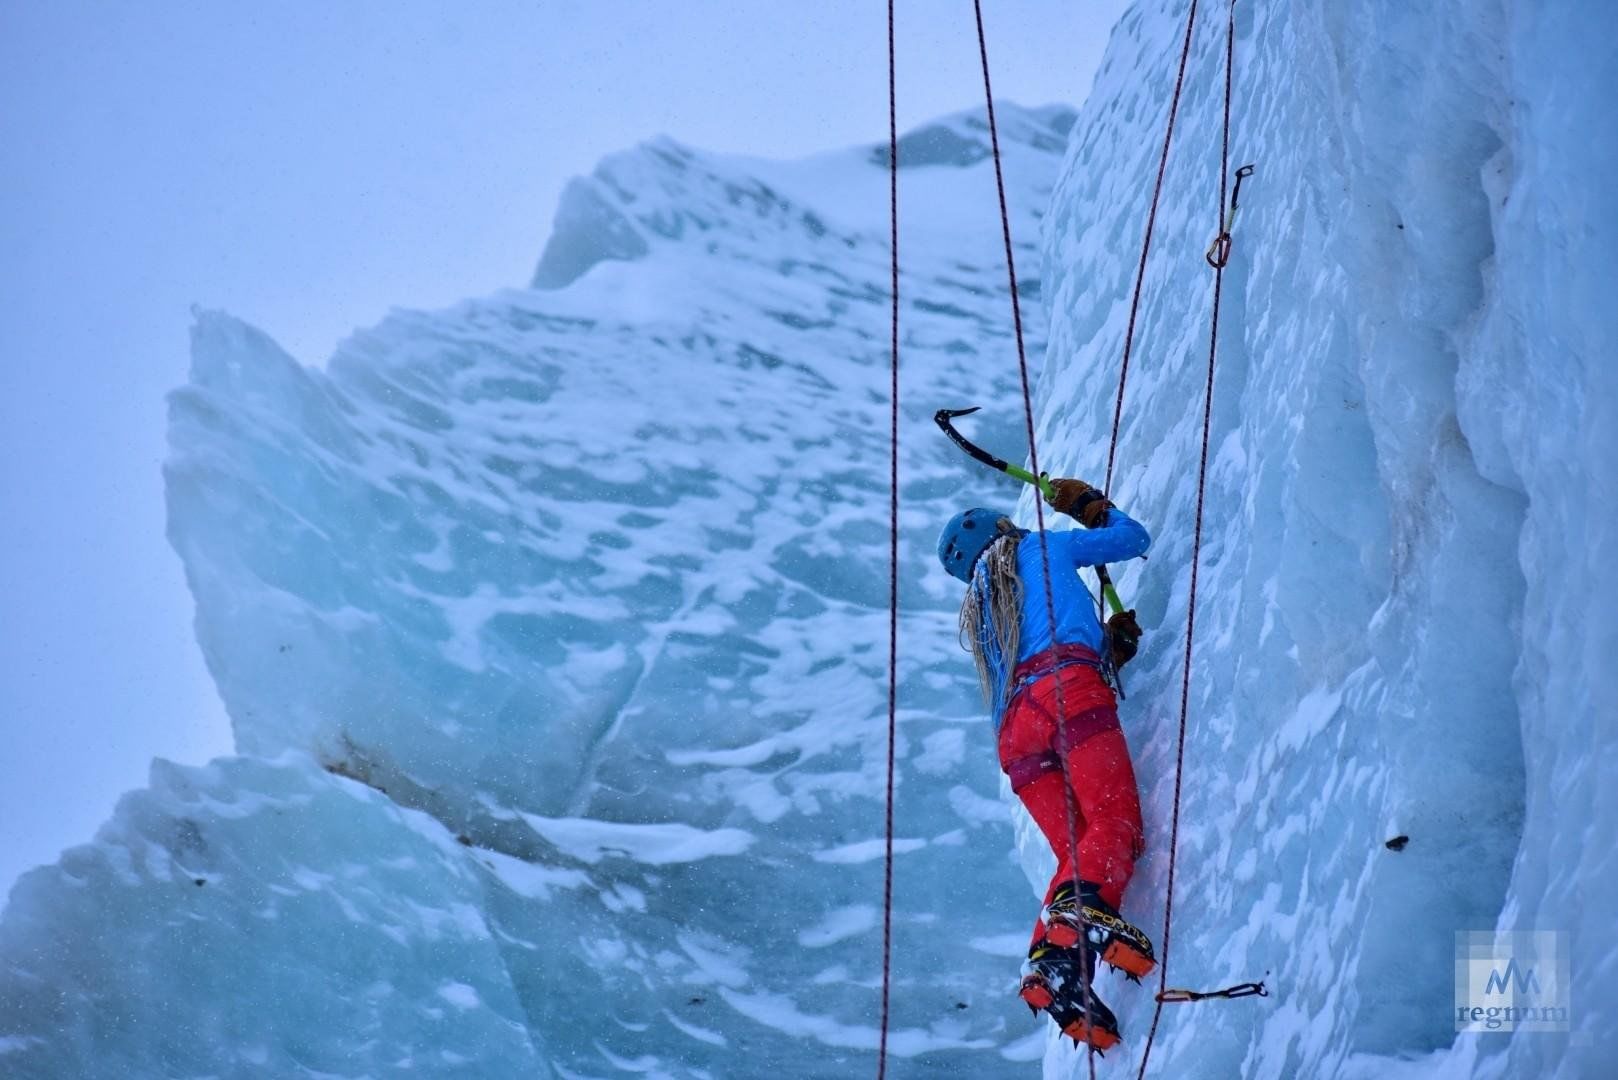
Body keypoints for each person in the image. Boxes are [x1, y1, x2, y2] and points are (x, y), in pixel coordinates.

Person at [936, 478, 1154, 1051]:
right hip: (1069, 690)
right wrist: (1090, 508)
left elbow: (1036, 649)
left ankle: (1049, 967)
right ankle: (1071, 932)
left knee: (1078, 852)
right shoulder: (1040, 548)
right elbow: (1133, 539)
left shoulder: (986, 613)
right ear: (1002, 530)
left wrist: (1108, 649)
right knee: (1116, 825)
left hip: (1017, 733)